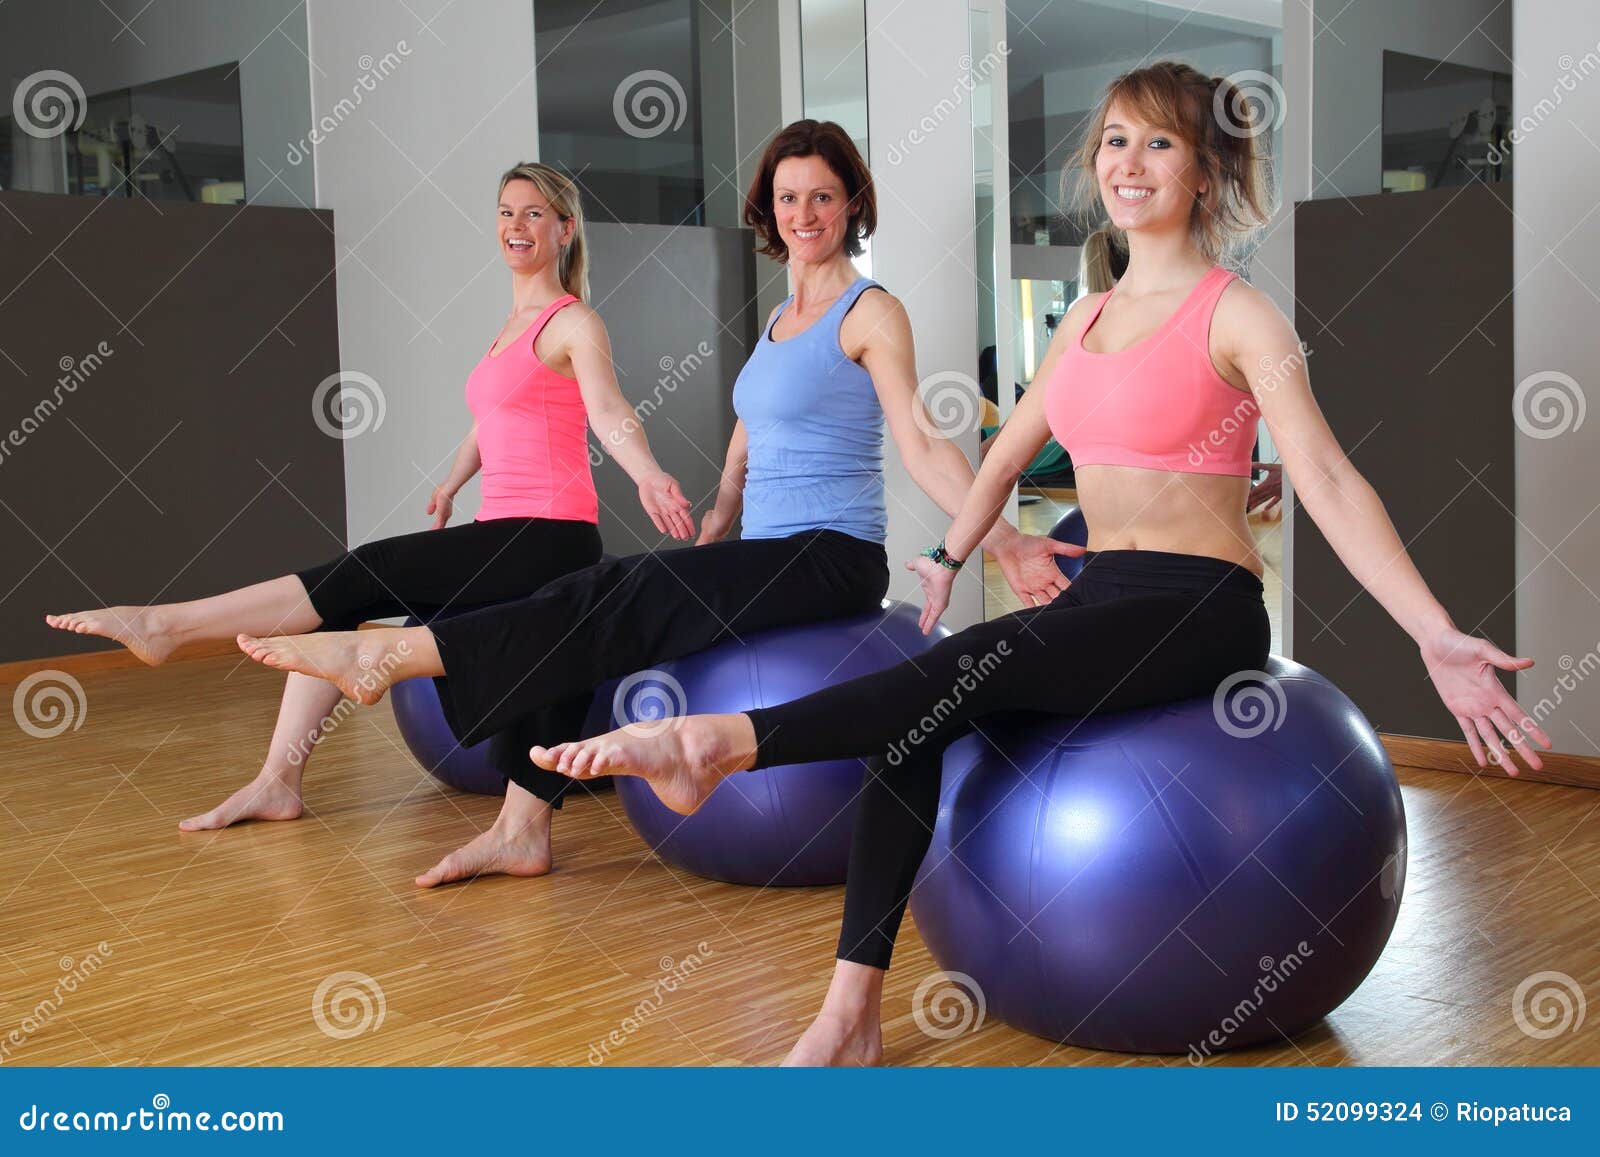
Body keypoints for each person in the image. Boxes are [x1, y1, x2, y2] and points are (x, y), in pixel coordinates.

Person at [525, 61, 1551, 1065]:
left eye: (1159, 142)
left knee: (937, 683)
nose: (1129, 161)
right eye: (1113, 139)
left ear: (1204, 171)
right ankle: (850, 1013)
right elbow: (1007, 450)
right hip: (1105, 586)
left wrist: (1433, 633)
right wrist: (946, 553)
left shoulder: (1236, 314)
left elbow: (1324, 477)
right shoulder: (1089, 319)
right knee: (913, 719)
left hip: (1202, 601)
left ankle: (725, 744)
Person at [234, 119, 1078, 887]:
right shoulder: (785, 314)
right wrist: (719, 515)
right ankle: (522, 828)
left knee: (615, 594)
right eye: (787, 196)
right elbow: (753, 431)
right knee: (584, 615)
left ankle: (399, 656)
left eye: (822, 195)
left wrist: (996, 539)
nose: (803, 211)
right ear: (769, 206)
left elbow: (923, 442)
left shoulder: (871, 312)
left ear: (852, 202)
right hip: (766, 547)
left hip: (832, 556)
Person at [45, 162, 693, 831]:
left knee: (369, 567)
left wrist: (644, 472)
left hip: (549, 536)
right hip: (501, 530)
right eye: (505, 211)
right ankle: (277, 781)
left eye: (533, 213)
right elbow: (492, 420)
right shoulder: (510, 325)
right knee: (337, 610)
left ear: (564, 228)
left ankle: (169, 625)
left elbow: (609, 409)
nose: (516, 226)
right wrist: (451, 482)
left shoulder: (573, 322)